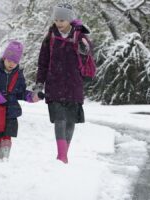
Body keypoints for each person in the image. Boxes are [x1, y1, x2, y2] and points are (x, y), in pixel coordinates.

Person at [35, 3, 92, 164]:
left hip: (74, 85)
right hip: (55, 85)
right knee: (59, 119)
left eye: (62, 20)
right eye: (57, 19)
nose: (59, 23)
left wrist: (84, 50)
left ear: (69, 19)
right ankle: (62, 156)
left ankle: (64, 153)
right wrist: (40, 84)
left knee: (71, 121)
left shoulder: (80, 36)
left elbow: (87, 58)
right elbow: (43, 62)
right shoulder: (50, 37)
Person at [0, 41, 40, 161]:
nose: (11, 64)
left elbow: (21, 92)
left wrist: (32, 97)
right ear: (4, 58)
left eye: (15, 61)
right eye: (9, 60)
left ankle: (6, 158)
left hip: (11, 111)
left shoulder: (19, 76)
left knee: (7, 135)